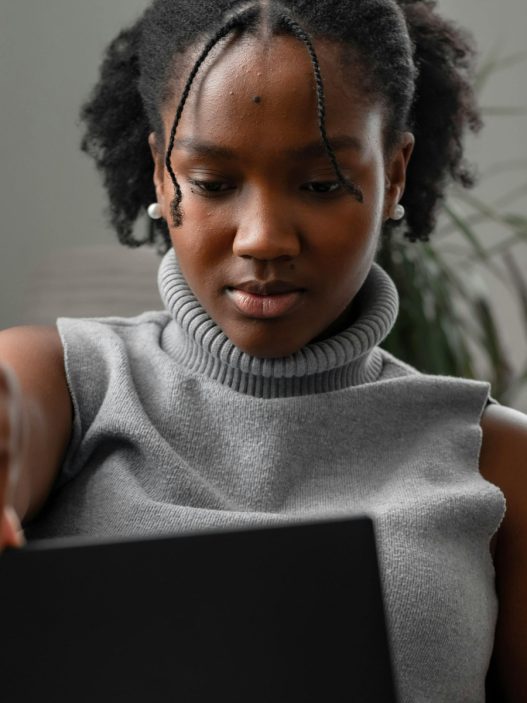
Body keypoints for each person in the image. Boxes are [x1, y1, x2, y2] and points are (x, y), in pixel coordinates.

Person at [0, 0, 525, 699]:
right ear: (162, 174)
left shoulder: (497, 461)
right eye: (213, 184)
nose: (263, 238)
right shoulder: (65, 382)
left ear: (393, 174)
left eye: (318, 183)